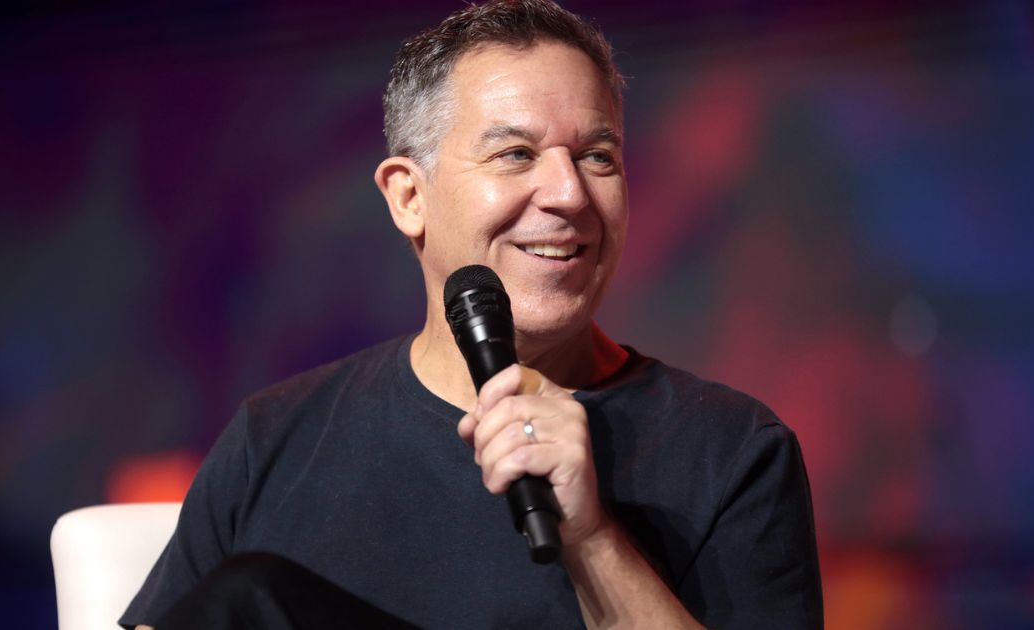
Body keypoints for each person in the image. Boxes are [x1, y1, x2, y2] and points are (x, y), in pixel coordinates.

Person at [121, 1, 823, 628]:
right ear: (408, 198)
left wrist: (594, 540)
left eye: (597, 157)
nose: (569, 195)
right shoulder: (272, 441)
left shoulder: (734, 452)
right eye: (516, 154)